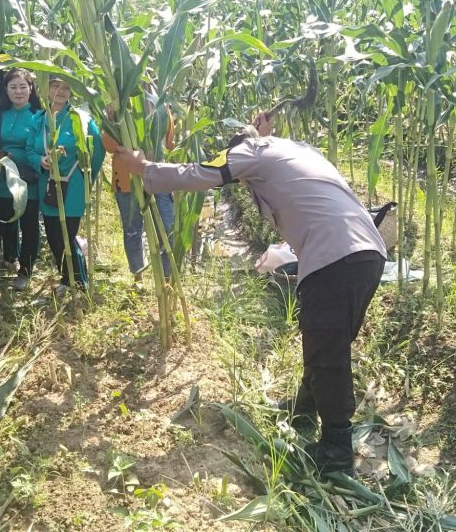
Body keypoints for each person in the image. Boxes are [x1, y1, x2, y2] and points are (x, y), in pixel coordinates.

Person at [114, 112, 387, 476]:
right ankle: (304, 409)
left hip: (334, 255)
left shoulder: (251, 152)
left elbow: (200, 173)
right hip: (367, 251)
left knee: (327, 352)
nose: (243, 183)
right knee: (327, 342)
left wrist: (144, 168)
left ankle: (336, 451)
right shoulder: (293, 149)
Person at [31, 78, 105, 291]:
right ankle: (66, 278)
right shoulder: (39, 119)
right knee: (54, 237)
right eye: (55, 86)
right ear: (46, 89)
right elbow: (29, 148)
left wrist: (86, 176)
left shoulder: (81, 119)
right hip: (48, 185)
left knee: (68, 237)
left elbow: (97, 151)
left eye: (66, 88)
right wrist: (39, 160)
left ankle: (79, 282)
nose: (60, 92)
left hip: (73, 186)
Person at [101, 103, 176, 283]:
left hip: (159, 176)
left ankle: (167, 279)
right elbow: (108, 145)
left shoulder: (162, 108)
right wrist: (111, 121)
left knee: (167, 229)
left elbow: (170, 143)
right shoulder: (117, 106)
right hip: (126, 178)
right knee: (132, 229)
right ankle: (138, 277)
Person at [0, 69, 43, 291]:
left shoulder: (39, 115)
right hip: (0, 178)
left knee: (29, 227)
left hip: (28, 180)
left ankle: (25, 271)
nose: (18, 91)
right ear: (6, 90)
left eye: (23, 87)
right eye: (13, 87)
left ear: (31, 89)